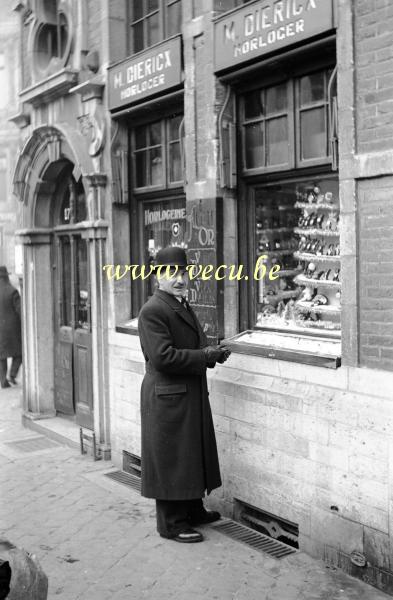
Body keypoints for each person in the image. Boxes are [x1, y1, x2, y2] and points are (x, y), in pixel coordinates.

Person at [138, 246, 231, 543]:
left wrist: (212, 354)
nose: (178, 279)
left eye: (182, 272)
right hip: (168, 397)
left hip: (183, 393)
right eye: (170, 273)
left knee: (190, 454)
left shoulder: (179, 303)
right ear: (157, 276)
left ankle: (192, 509)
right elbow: (163, 357)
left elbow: (189, 346)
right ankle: (171, 524)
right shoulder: (153, 310)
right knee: (172, 459)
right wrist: (204, 356)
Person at [0, 266, 22, 389]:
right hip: (13, 330)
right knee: (19, 353)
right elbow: (20, 310)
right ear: (6, 276)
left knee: (1, 357)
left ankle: (3, 382)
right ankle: (12, 375)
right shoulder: (12, 291)